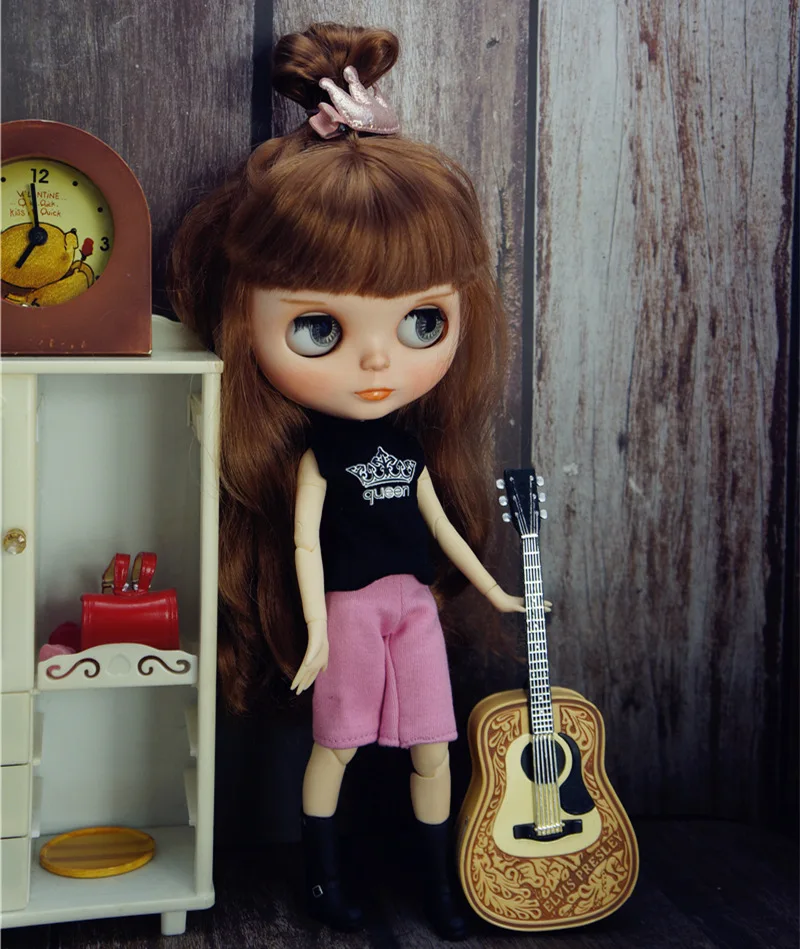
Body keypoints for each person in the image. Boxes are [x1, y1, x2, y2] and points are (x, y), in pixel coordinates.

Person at [170, 22, 523, 940]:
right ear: (244, 321)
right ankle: (323, 878)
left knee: (434, 746)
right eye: (319, 330)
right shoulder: (314, 455)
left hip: (414, 609)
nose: (377, 362)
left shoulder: (412, 446)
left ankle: (439, 882)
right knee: (337, 744)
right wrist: (319, 631)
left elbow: (442, 527)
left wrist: (494, 589)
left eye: (421, 324)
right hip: (351, 614)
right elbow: (302, 542)